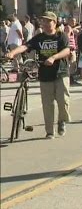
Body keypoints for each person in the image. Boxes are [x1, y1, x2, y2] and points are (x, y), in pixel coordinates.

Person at [6, 11, 71, 139]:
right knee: (47, 104)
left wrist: (53, 57)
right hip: (45, 75)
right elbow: (25, 46)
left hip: (61, 73)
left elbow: (67, 50)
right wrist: (13, 53)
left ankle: (61, 121)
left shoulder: (61, 36)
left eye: (48, 21)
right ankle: (49, 131)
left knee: (63, 101)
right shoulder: (39, 37)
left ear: (55, 22)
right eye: (43, 21)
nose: (45, 23)